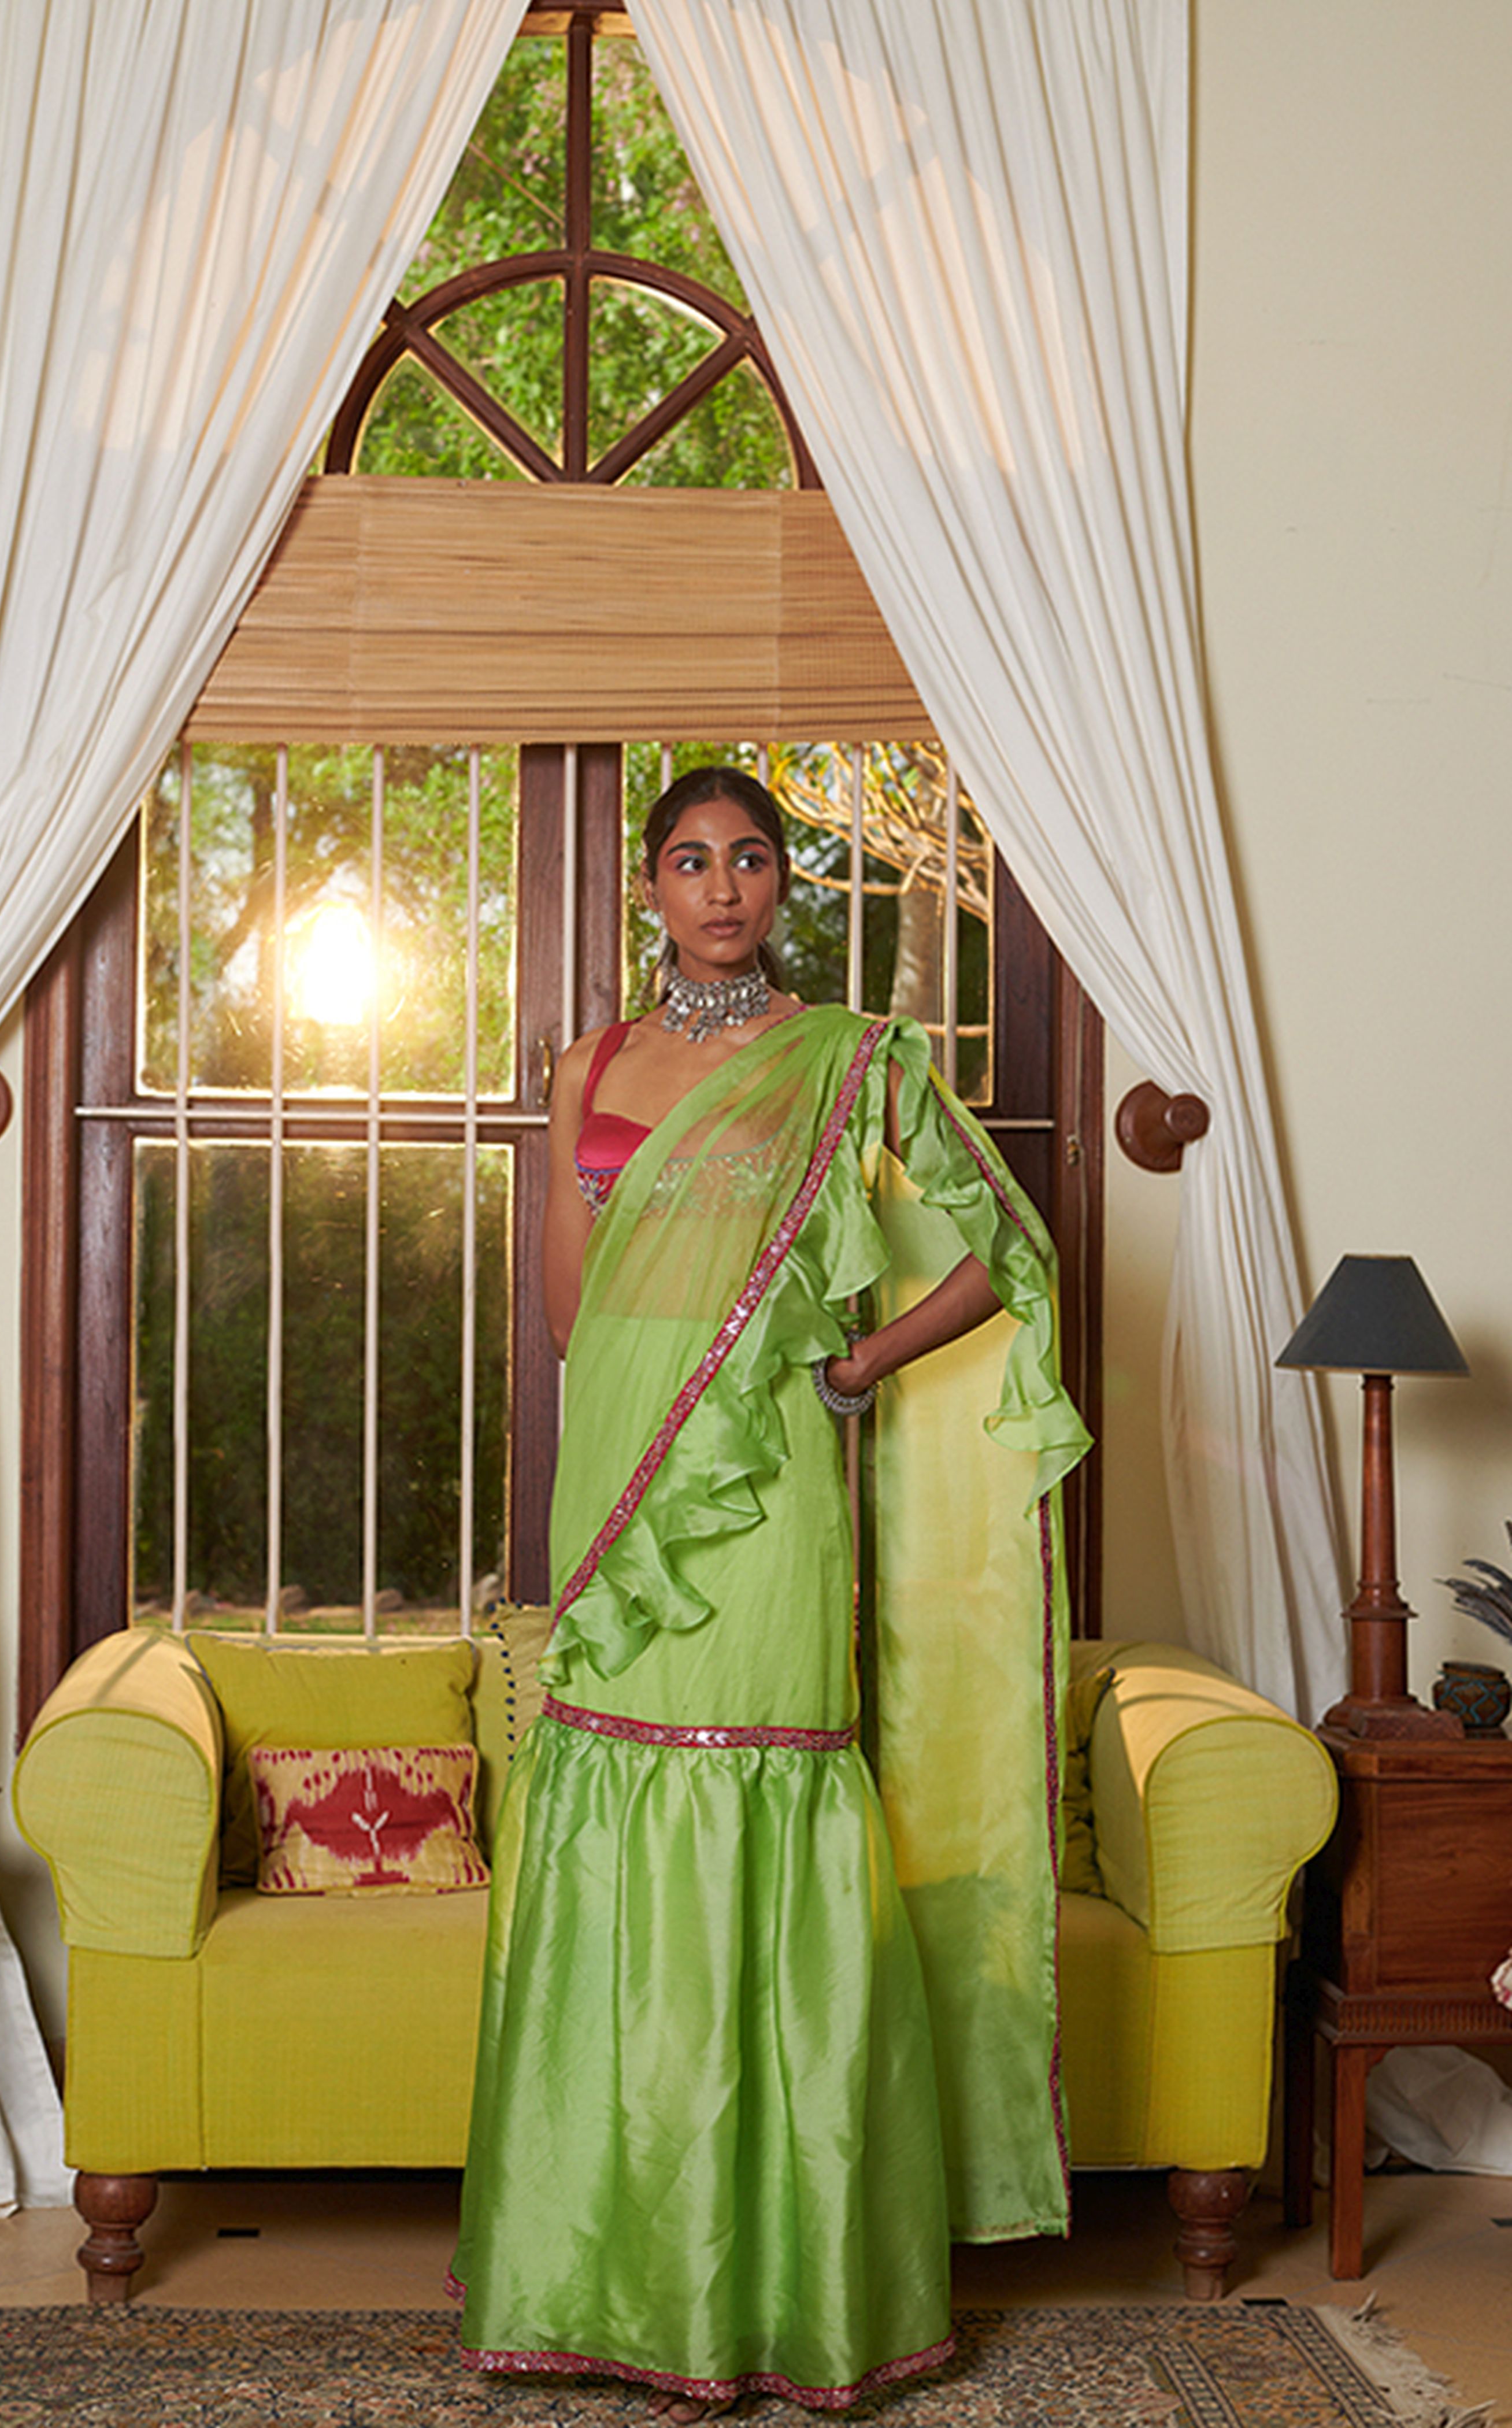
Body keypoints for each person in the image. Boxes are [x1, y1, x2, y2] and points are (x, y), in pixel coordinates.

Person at [450, 767, 1089, 2414]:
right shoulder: (586, 1065)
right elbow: (576, 1318)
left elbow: (1005, 1248)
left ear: (782, 885)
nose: (720, 885)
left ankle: (788, 2274)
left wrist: (858, 1357)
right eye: (690, 859)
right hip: (625, 1471)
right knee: (615, 1788)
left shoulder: (854, 1063)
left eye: (750, 858)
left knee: (764, 1785)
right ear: (649, 887)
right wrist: (627, 1446)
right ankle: (596, 2257)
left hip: (781, 1475)